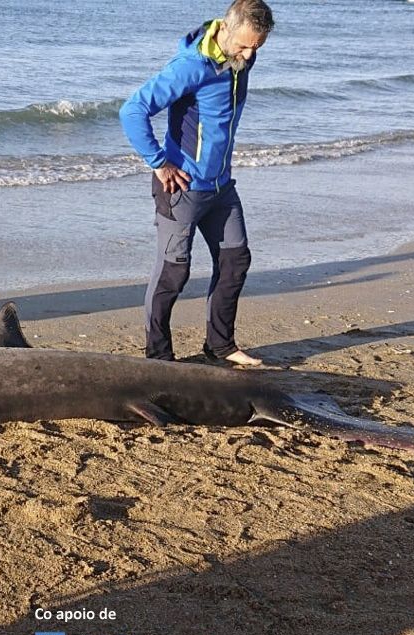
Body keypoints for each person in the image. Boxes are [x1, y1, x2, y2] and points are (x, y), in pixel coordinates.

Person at [119, 0, 274, 365]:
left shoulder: (239, 60)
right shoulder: (190, 67)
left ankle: (220, 347)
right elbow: (132, 110)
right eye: (245, 44)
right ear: (225, 28)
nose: (250, 53)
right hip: (182, 189)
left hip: (220, 188)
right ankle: (159, 358)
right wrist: (159, 162)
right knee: (173, 272)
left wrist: (244, 53)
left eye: (258, 46)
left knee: (235, 261)